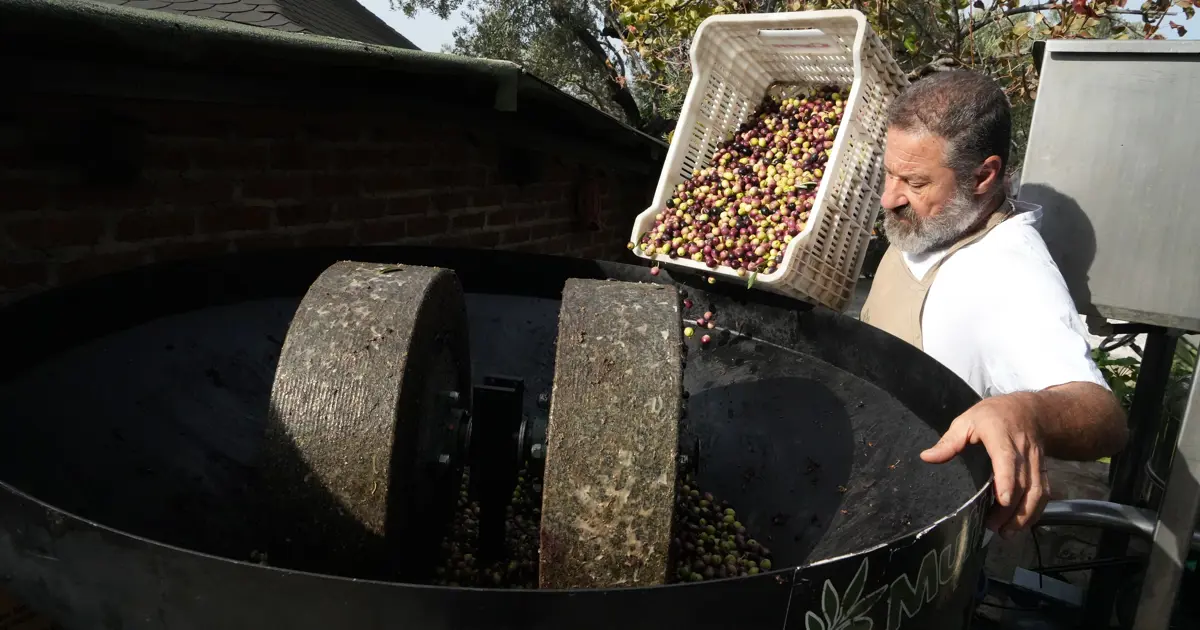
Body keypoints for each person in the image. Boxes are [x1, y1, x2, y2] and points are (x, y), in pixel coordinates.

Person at [859, 70, 1128, 539]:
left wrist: (1027, 412)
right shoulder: (934, 222)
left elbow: (1105, 417)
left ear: (983, 175)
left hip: (919, 541)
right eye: (890, 172)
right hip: (864, 489)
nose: (888, 197)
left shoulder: (1008, 270)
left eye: (915, 182)